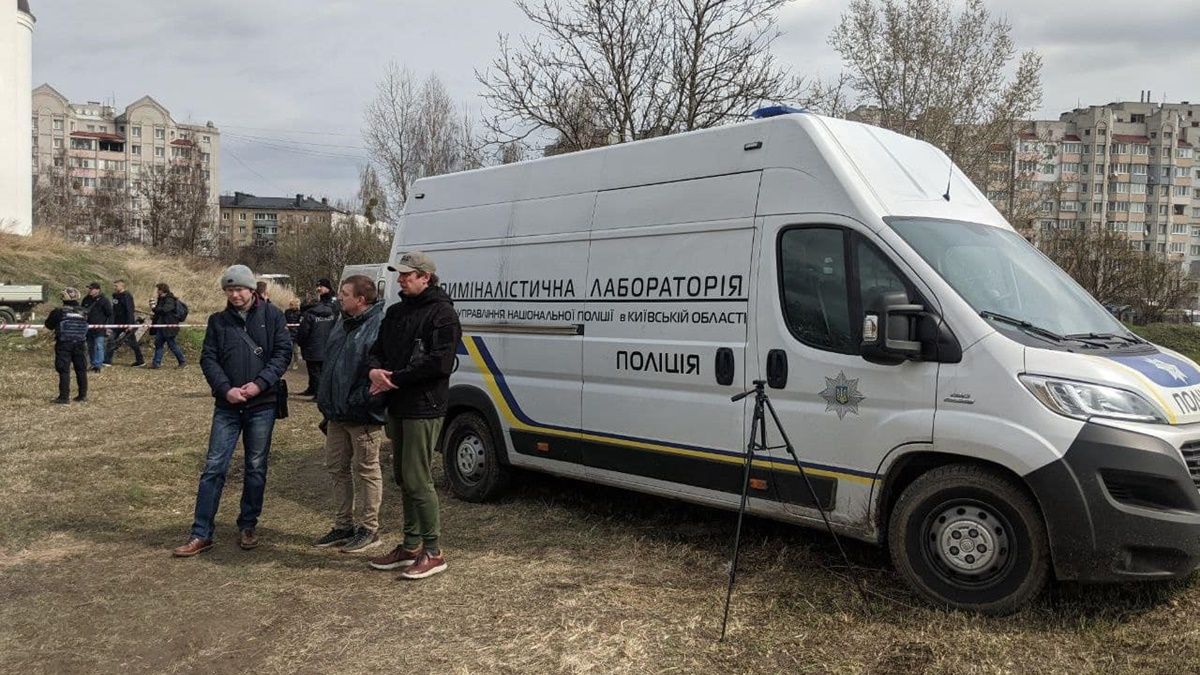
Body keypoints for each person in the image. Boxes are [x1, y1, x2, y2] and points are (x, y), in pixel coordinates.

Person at [172, 265, 293, 557]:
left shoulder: (273, 316)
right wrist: (226, 388)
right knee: (214, 467)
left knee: (255, 467)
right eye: (229, 290)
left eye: (239, 289)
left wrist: (259, 385)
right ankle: (201, 532)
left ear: (252, 290)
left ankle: (248, 525)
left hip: (261, 404)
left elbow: (282, 353)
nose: (235, 295)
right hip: (227, 405)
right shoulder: (218, 321)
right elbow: (208, 358)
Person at [365, 251, 461, 579]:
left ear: (426, 277)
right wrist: (375, 370)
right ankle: (410, 546)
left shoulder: (443, 314)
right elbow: (377, 350)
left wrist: (394, 378)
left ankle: (433, 552)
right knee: (403, 477)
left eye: (408, 274)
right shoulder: (395, 312)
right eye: (400, 274)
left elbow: (439, 362)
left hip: (424, 405)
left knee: (419, 478)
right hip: (398, 403)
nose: (401, 279)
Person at [313, 275, 387, 553]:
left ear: (361, 299)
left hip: (362, 415)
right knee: (336, 468)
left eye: (345, 293)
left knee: (367, 470)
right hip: (336, 414)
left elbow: (380, 373)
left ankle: (369, 529)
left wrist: (359, 402)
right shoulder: (341, 322)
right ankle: (343, 525)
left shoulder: (379, 326)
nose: (339, 297)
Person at [43, 287, 89, 404]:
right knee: (81, 370)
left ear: (63, 297)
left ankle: (64, 397)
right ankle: (82, 395)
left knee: (64, 370)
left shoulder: (59, 311)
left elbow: (49, 325)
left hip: (64, 344)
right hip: (80, 343)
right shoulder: (84, 311)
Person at [295, 278, 337, 396]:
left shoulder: (313, 312)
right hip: (325, 344)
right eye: (317, 286)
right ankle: (313, 389)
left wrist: (301, 342)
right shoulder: (332, 309)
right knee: (317, 370)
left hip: (314, 345)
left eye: (321, 286)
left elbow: (304, 331)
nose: (318, 289)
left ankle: (318, 393)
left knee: (315, 370)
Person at [104, 279, 145, 367]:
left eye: (116, 286)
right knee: (111, 340)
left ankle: (140, 360)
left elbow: (130, 310)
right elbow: (114, 310)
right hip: (116, 323)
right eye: (114, 286)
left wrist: (130, 324)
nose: (114, 287)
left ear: (122, 286)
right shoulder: (115, 295)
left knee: (132, 343)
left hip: (126, 323)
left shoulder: (127, 296)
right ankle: (107, 361)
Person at [150, 283, 187, 369]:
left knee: (172, 345)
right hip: (162, 326)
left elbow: (164, 310)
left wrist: (154, 308)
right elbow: (160, 312)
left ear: (161, 290)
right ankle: (156, 363)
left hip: (169, 326)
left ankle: (182, 361)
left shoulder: (169, 300)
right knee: (158, 344)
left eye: (158, 290)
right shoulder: (161, 299)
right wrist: (155, 314)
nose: (157, 292)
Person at [81, 281, 113, 372]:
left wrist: (109, 327)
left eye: (92, 288)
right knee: (90, 346)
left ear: (98, 290)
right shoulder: (86, 299)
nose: (90, 290)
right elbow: (82, 311)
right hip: (88, 327)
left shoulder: (104, 300)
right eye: (89, 288)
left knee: (99, 346)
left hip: (100, 328)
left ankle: (98, 365)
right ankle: (93, 363)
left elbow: (110, 314)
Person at [285, 298, 303, 371]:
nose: (290, 306)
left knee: (295, 350)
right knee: (288, 350)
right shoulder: (287, 312)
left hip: (296, 333)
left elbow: (301, 323)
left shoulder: (300, 312)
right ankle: (288, 363)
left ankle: (296, 362)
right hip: (288, 332)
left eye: (292, 304)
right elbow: (284, 320)